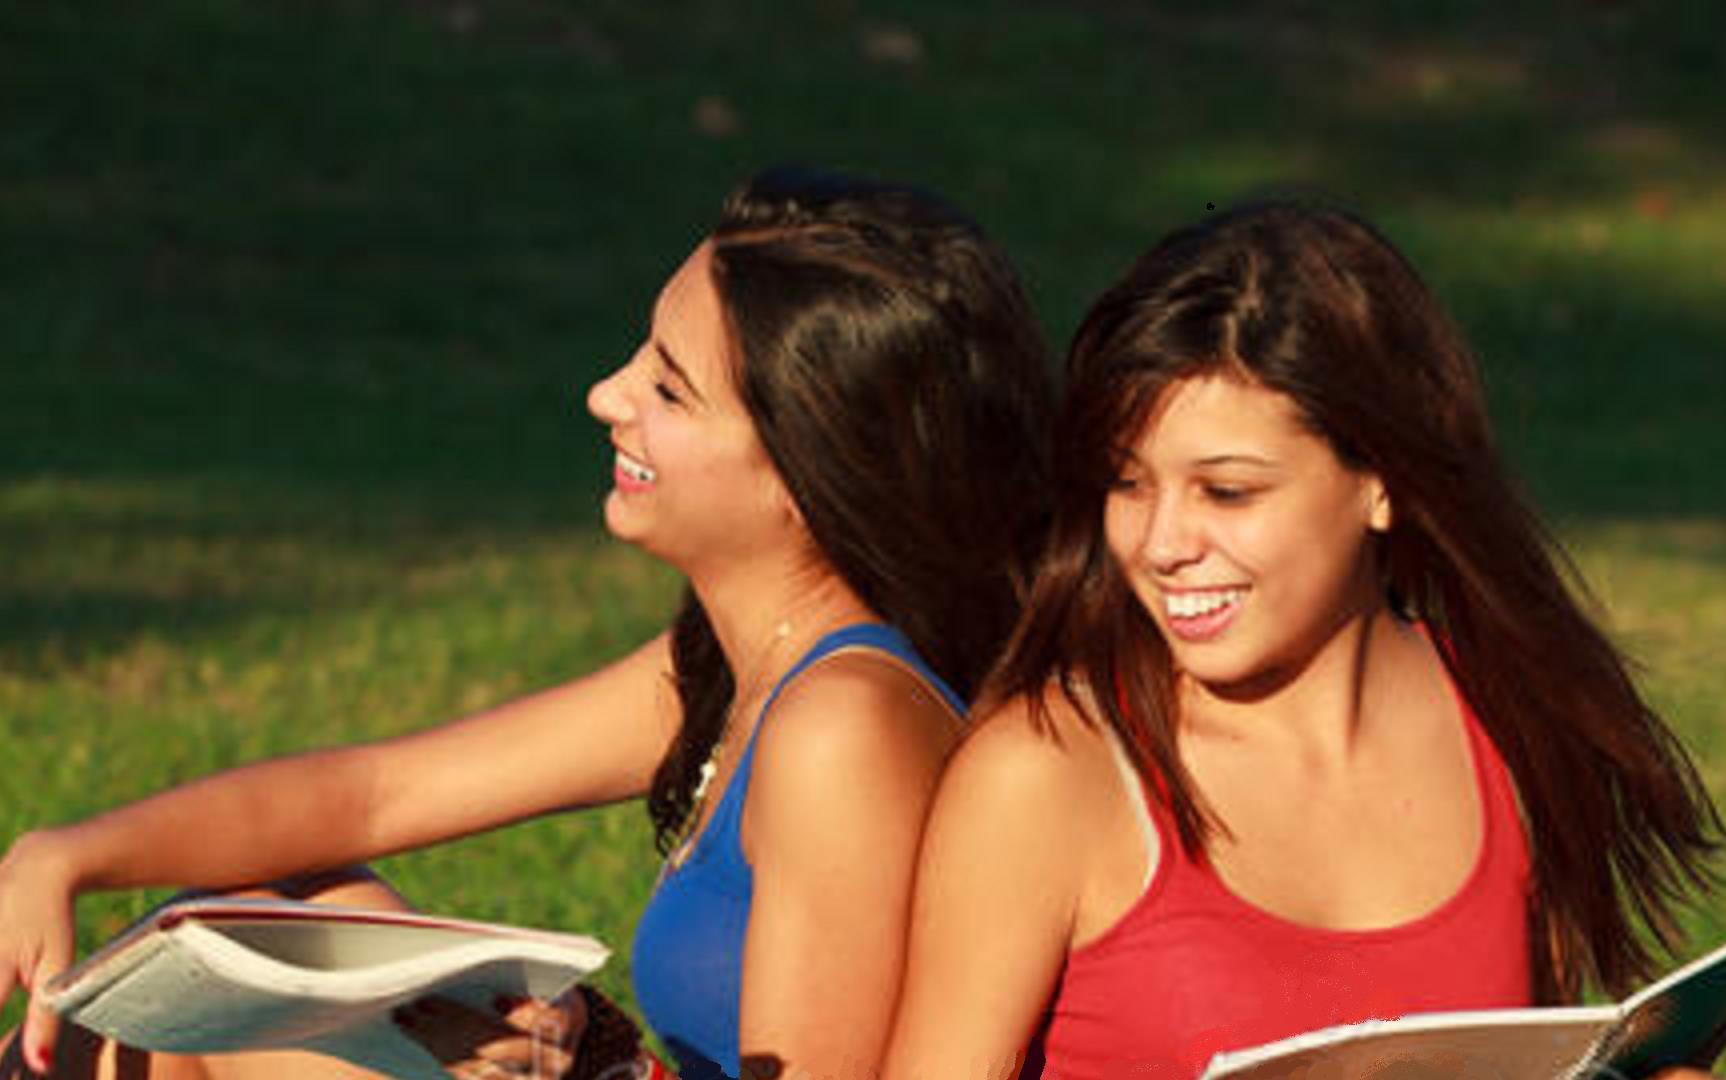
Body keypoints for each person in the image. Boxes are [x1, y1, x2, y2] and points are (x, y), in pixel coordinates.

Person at [0, 168, 1053, 1080]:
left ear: (806, 470)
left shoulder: (841, 727)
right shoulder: (735, 668)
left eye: (668, 388)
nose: (606, 395)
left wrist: (594, 1066)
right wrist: (69, 854)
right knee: (260, 926)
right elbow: (374, 794)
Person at [882, 202, 1726, 1080]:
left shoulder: (1513, 722)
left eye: (1227, 492)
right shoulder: (1046, 776)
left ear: (1382, 483)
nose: (1161, 543)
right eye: (1128, 484)